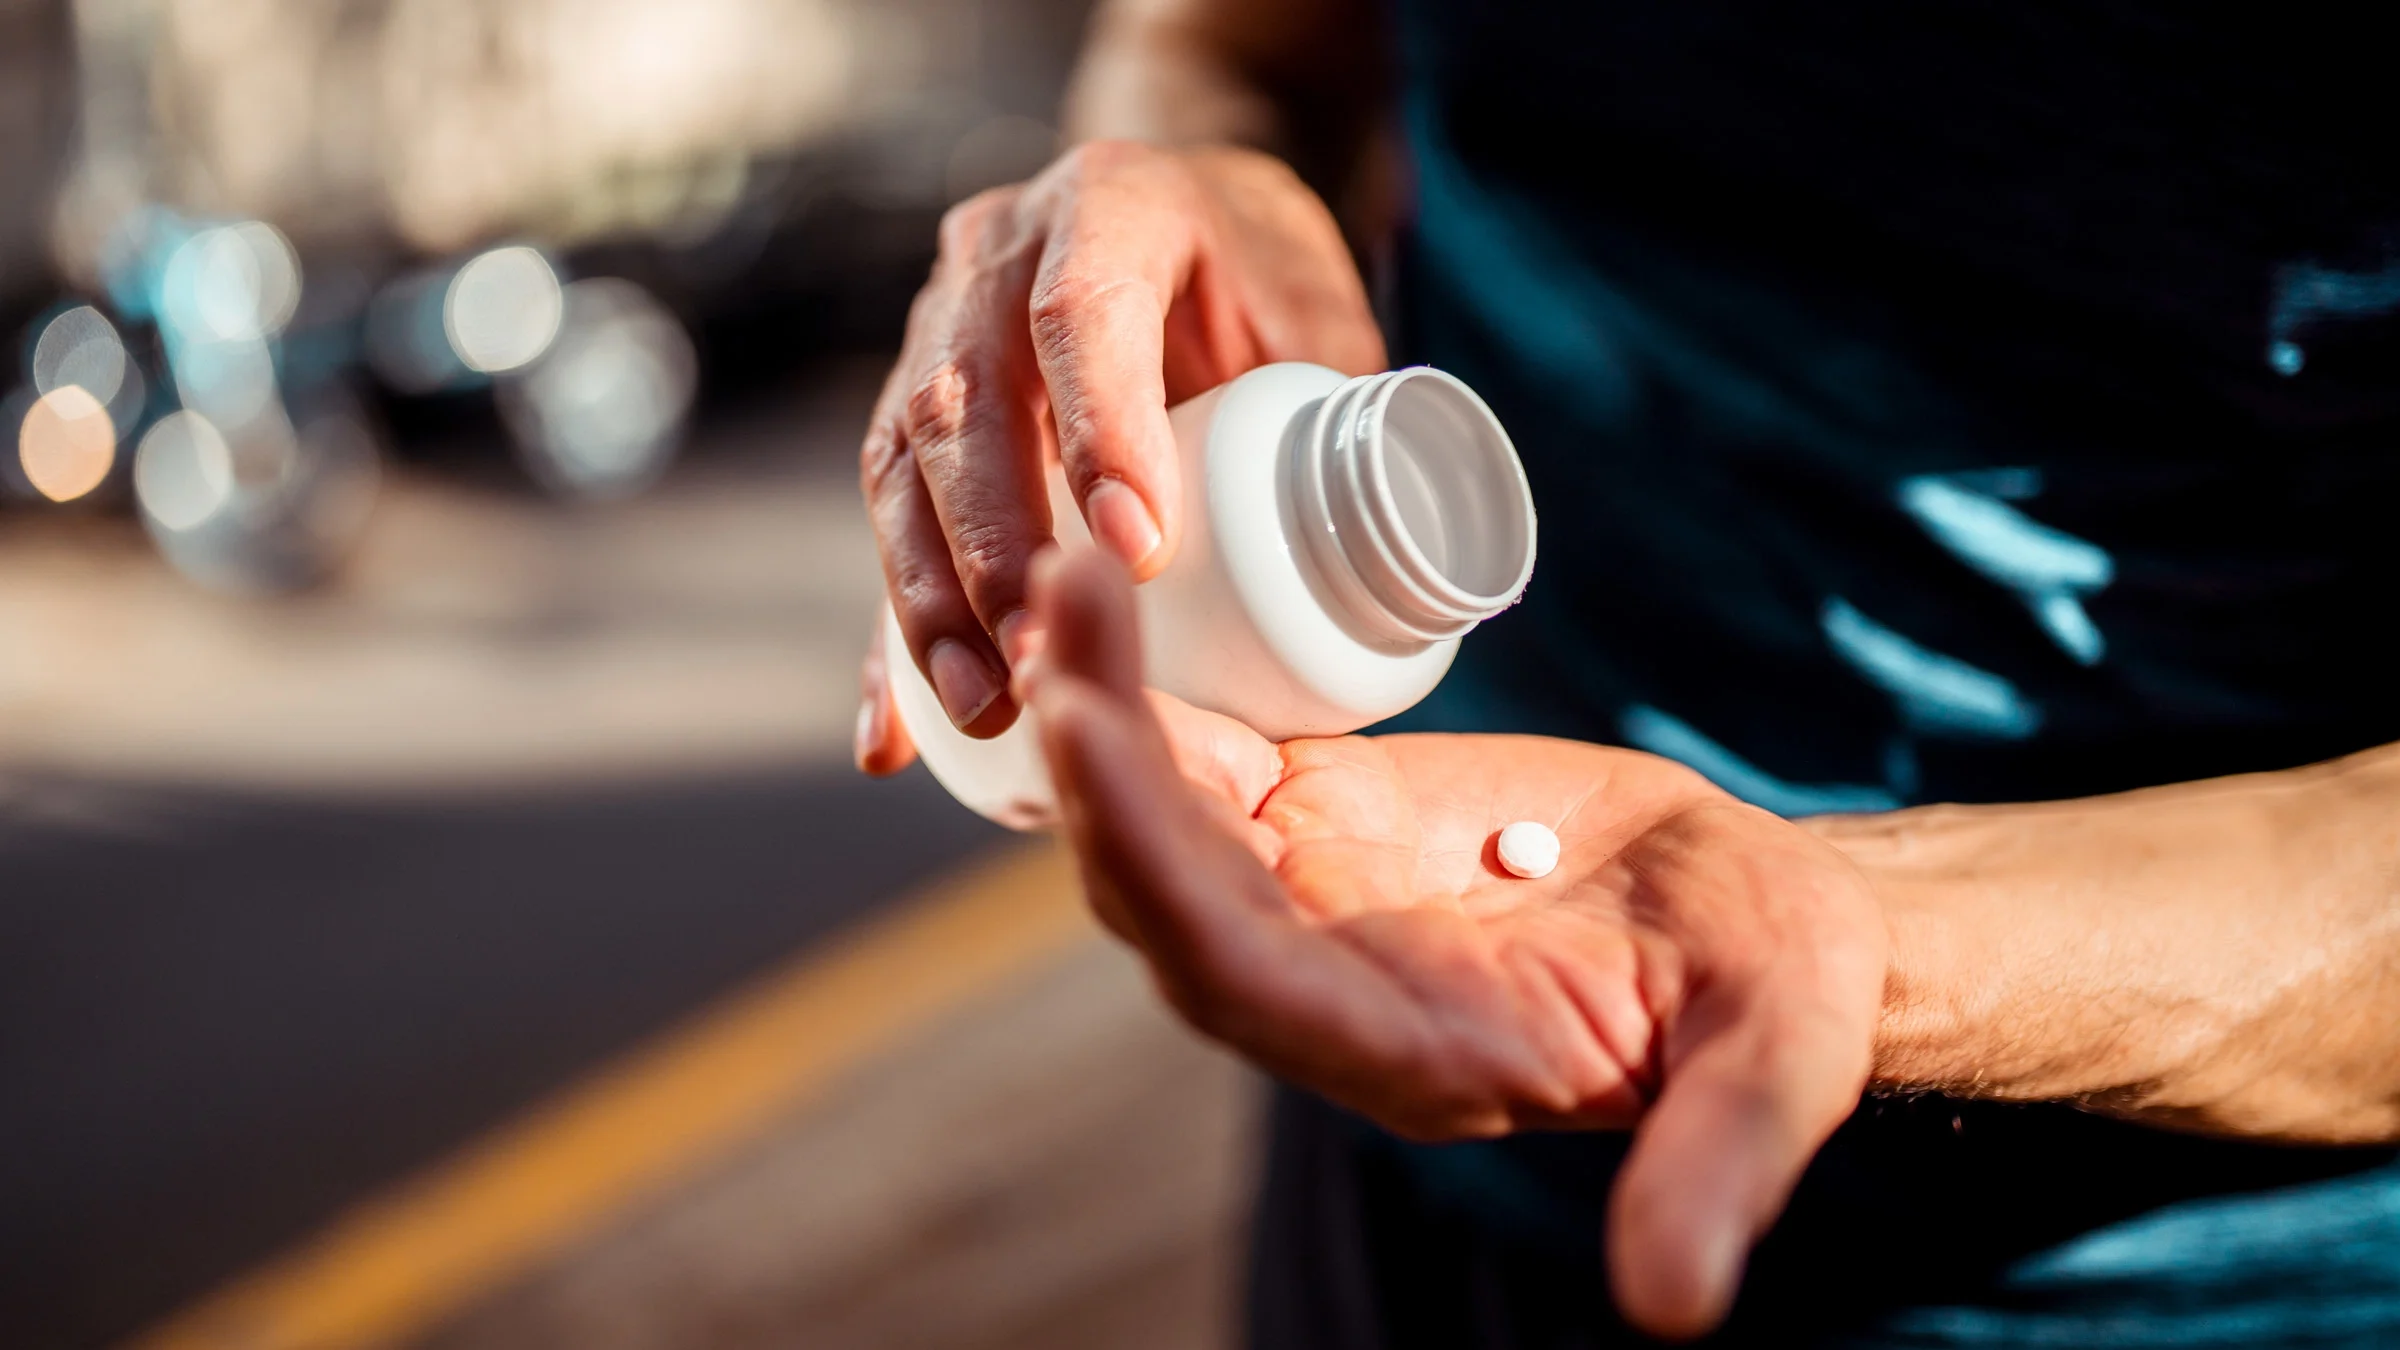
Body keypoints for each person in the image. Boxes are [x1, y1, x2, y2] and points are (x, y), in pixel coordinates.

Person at [855, 1, 2400, 1344]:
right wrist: (1203, 163)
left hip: (2164, 1278)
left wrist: (1877, 929)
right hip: (1403, 1045)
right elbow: (1221, 34)